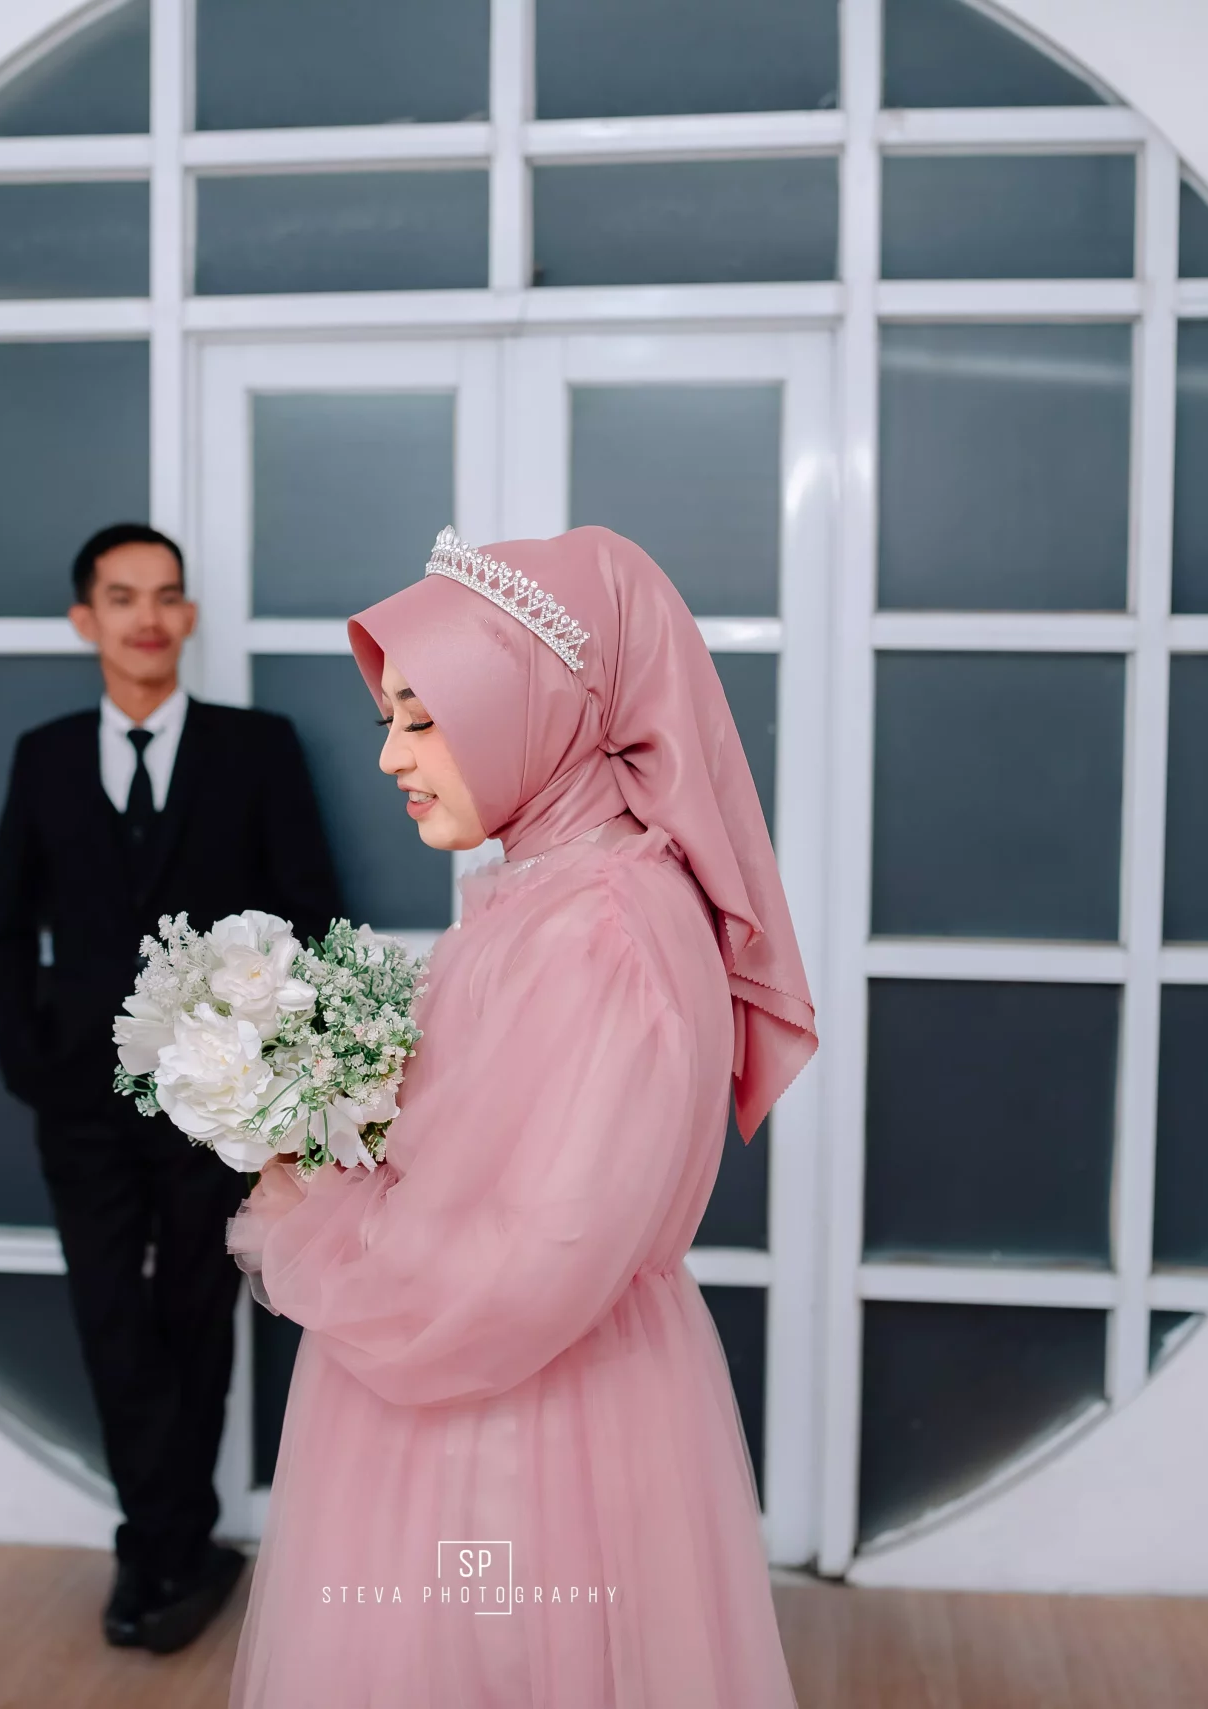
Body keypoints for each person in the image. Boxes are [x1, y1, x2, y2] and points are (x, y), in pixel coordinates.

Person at [220, 525, 817, 1707]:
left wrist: (311, 1221)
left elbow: (534, 1256)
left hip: (521, 1414)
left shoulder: (598, 928)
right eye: (389, 716)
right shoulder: (549, 893)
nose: (389, 753)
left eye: (424, 717)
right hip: (523, 1379)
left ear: (529, 706)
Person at [0, 521, 341, 1655]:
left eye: (166, 595)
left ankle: (166, 1551)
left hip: (214, 1099)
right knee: (109, 1314)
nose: (147, 616)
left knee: (194, 1312)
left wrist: (278, 1078)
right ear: (84, 618)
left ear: (188, 616)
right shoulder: (44, 755)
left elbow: (311, 915)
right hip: (79, 1099)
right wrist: (30, 1060)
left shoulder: (257, 747)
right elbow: (6, 928)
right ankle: (165, 1538)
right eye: (123, 595)